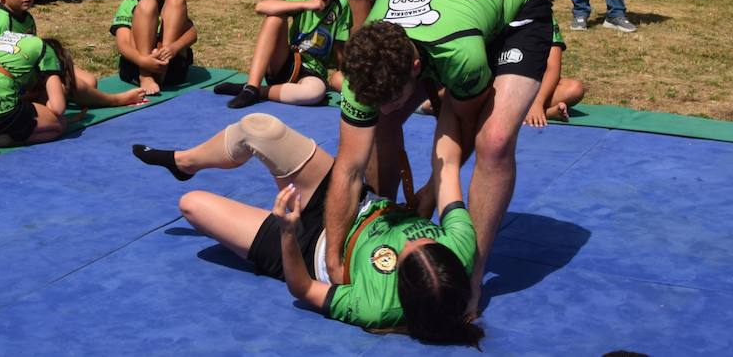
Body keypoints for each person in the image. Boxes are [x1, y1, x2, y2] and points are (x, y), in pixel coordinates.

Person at [132, 105, 482, 342]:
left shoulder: (374, 307)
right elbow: (447, 164)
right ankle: (184, 162)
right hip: (349, 203)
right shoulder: (462, 246)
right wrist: (451, 100)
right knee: (259, 128)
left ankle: (270, 222)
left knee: (191, 205)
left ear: (403, 290)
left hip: (306, 246)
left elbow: (303, 290)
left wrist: (287, 231)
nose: (405, 239)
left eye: (405, 253)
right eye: (423, 240)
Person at [324, 0, 543, 314]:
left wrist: (433, 189)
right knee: (382, 123)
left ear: (414, 69)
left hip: (511, 8)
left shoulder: (460, 54)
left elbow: (464, 125)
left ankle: (472, 277)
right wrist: (335, 255)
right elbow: (347, 169)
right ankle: (386, 218)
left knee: (494, 143)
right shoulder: (361, 69)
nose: (388, 106)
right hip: (448, 4)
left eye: (394, 98)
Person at [0, 0, 146, 104]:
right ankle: (115, 100)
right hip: (13, 84)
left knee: (90, 81)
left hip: (31, 71)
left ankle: (72, 96)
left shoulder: (26, 17)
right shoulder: (0, 21)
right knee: (72, 86)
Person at [214, 0, 351, 109]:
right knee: (274, 17)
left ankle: (258, 91)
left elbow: (340, 46)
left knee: (315, 93)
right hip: (287, 61)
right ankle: (252, 86)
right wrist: (305, 5)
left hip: (312, 72)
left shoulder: (341, 5)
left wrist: (342, 75)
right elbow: (261, 7)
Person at [111, 0, 197, 96]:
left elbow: (192, 33)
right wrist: (143, 61)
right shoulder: (128, 4)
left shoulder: (170, 6)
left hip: (171, 67)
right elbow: (123, 44)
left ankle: (162, 64)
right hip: (136, 67)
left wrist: (173, 48)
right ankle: (146, 75)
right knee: (147, 5)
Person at [523, 21, 586, 127]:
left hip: (532, 85)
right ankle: (546, 113)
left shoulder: (545, 16)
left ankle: (532, 111)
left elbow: (552, 69)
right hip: (501, 85)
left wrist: (537, 102)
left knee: (574, 88)